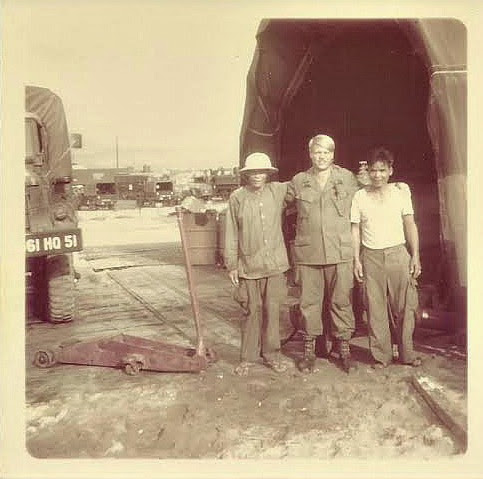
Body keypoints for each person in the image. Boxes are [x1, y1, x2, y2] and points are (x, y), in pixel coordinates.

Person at [286, 134, 362, 373]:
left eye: (326, 152)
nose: (321, 157)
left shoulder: (347, 178)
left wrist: (394, 185)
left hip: (340, 252)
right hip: (309, 254)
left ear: (333, 154)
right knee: (309, 303)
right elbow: (277, 201)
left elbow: (368, 193)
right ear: (310, 154)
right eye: (317, 152)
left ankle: (344, 349)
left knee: (341, 301)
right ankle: (309, 351)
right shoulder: (299, 181)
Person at [350, 146, 422, 369]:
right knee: (375, 309)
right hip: (371, 256)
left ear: (391, 170)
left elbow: (410, 224)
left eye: (382, 170)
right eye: (373, 170)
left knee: (405, 307)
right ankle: (382, 357)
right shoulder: (360, 196)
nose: (377, 175)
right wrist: (356, 259)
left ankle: (407, 354)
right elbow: (355, 229)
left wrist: (415, 255)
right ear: (367, 172)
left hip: (398, 254)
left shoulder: (401, 192)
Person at [224, 152, 290, 376]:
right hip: (249, 266)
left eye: (261, 172)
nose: (257, 176)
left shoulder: (278, 191)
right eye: (253, 172)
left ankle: (273, 355)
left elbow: (304, 185)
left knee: (272, 311)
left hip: (275, 265)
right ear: (246, 174)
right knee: (251, 311)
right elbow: (231, 232)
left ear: (268, 174)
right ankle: (248, 358)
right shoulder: (237, 198)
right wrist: (232, 264)